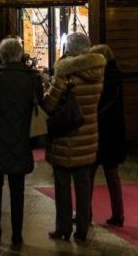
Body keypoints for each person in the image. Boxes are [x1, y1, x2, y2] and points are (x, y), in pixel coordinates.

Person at [0, 37, 43, 247]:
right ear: (19, 54)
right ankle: (17, 234)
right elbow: (40, 101)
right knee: (18, 188)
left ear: (2, 55)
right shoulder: (32, 78)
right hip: (21, 136)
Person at [43, 32, 106, 242]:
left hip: (65, 136)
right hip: (88, 134)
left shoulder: (65, 73)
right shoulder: (98, 72)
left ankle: (63, 228)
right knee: (84, 184)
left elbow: (50, 104)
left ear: (68, 49)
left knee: (62, 186)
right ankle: (82, 228)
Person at [88, 44, 126, 227]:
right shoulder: (117, 76)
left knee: (88, 175)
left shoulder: (98, 79)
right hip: (114, 132)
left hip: (98, 130)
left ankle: (83, 212)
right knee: (112, 175)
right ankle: (118, 214)